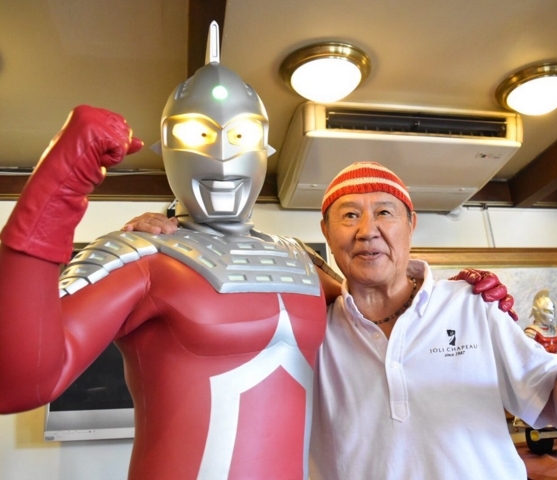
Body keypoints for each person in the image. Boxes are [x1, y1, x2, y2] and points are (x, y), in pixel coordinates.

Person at [0, 48, 513, 480]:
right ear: (170, 145)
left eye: (242, 135)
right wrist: (57, 189)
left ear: (263, 146)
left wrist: (459, 295)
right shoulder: (145, 255)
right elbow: (18, 381)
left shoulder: (298, 261)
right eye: (199, 135)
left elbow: (377, 314)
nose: (223, 153)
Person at [125, 161, 557, 479]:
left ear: (411, 224)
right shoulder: (306, 328)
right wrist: (165, 244)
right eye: (349, 215)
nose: (367, 230)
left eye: (385, 212)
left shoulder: (472, 305)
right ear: (327, 232)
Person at [525, 289, 557, 354]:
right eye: (547, 311)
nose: (551, 315)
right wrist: (546, 350)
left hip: (555, 359)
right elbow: (527, 351)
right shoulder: (531, 332)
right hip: (540, 359)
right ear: (536, 311)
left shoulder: (555, 330)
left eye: (552, 312)